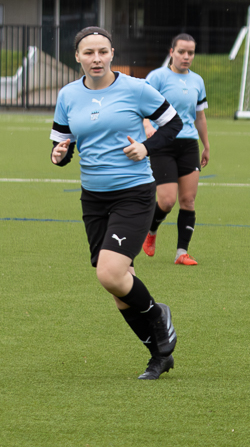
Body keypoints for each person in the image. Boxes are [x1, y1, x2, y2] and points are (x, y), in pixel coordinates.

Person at [50, 26, 182, 380]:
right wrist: (59, 155)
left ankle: (158, 315)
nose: (96, 59)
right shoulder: (67, 95)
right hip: (92, 198)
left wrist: (146, 147)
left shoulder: (136, 88)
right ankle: (159, 356)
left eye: (103, 52)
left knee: (109, 273)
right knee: (119, 286)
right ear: (77, 57)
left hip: (134, 193)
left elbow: (174, 124)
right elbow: (63, 143)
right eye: (88, 53)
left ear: (112, 54)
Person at [141, 33, 210, 266]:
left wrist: (206, 145)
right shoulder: (158, 77)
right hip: (163, 142)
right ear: (172, 52)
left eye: (190, 52)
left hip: (189, 144)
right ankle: (151, 231)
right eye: (181, 52)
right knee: (167, 201)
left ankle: (182, 252)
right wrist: (148, 125)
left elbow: (199, 117)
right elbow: (142, 106)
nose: (186, 56)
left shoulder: (197, 81)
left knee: (188, 201)